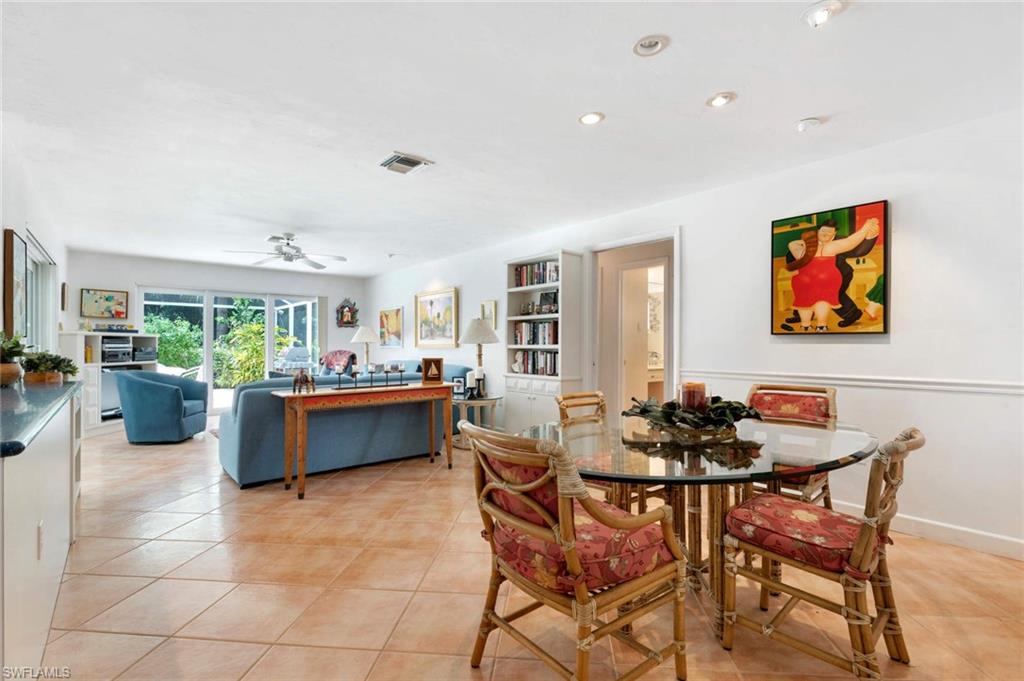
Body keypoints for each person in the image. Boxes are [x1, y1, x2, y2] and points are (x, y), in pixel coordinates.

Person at [786, 217, 880, 331]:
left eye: (829, 232)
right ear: (818, 231)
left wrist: (870, 236)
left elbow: (857, 249)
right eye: (823, 231)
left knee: (831, 295)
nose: (825, 234)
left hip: (838, 275)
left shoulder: (836, 243)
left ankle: (851, 314)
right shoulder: (807, 244)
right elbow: (792, 254)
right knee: (806, 294)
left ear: (834, 233)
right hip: (809, 280)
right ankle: (804, 316)